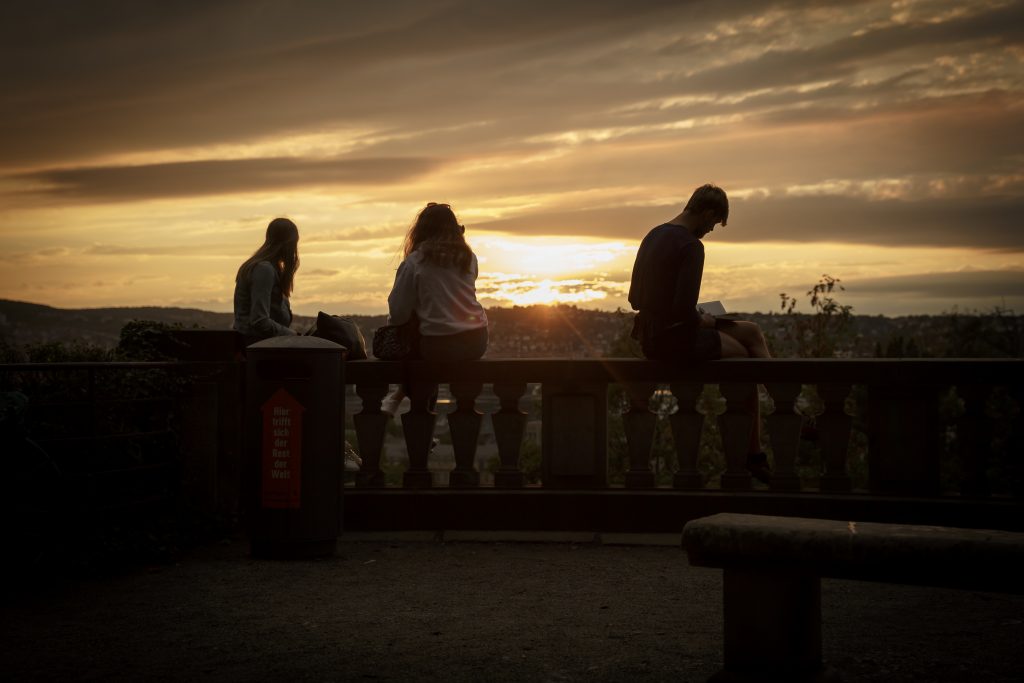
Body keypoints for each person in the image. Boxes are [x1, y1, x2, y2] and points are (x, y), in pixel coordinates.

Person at [628, 184, 773, 483]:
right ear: (707, 213)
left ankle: (757, 446)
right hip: (677, 340)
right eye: (713, 223)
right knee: (747, 352)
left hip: (650, 338)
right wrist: (704, 319)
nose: (710, 230)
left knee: (751, 331)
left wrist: (693, 314)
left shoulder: (653, 235)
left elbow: (635, 299)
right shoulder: (692, 246)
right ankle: (755, 448)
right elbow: (683, 309)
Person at [384, 202, 488, 411]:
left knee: (417, 346)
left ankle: (409, 402)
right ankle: (403, 396)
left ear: (420, 232)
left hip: (439, 346)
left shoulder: (415, 262)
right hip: (477, 341)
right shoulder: (469, 259)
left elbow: (398, 314)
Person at [233, 217, 300, 346]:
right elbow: (259, 320)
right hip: (259, 347)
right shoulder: (264, 270)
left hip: (261, 345)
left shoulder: (269, 269)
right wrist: (293, 335)